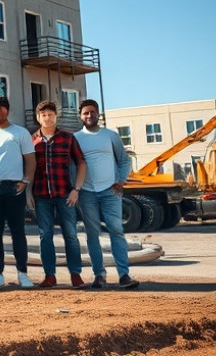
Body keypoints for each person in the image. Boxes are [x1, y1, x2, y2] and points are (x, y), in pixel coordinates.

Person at [75, 99, 140, 289]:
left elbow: (124, 160)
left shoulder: (111, 136)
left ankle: (124, 275)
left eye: (93, 112)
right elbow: (73, 165)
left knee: (116, 231)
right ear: (81, 116)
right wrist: (75, 188)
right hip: (87, 193)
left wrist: (121, 180)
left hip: (110, 191)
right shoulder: (76, 138)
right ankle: (99, 275)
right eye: (86, 113)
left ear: (98, 114)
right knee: (92, 234)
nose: (89, 115)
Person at [0, 95, 36, 288]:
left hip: (15, 187)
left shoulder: (20, 133)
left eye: (1, 108)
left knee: (18, 231)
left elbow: (30, 161)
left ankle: (23, 273)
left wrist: (25, 182)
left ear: (7, 110)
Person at [31, 100, 88, 288]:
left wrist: (76, 190)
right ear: (38, 118)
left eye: (50, 114)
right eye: (43, 115)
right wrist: (28, 194)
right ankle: (50, 275)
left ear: (56, 116)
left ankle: (75, 274)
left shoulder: (68, 138)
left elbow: (81, 162)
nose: (47, 118)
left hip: (65, 194)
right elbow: (27, 167)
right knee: (45, 235)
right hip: (40, 195)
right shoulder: (32, 141)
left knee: (71, 234)